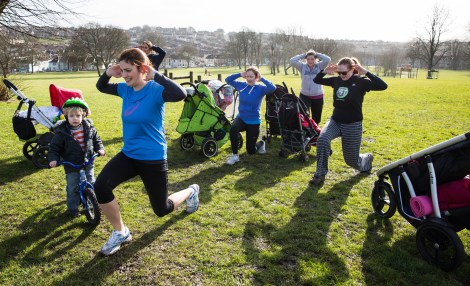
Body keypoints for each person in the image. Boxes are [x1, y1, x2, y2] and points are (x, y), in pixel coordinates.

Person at [95, 48, 199, 256]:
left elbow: (179, 94)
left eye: (128, 70)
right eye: (122, 71)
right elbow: (101, 87)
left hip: (153, 158)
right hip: (129, 154)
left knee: (162, 209)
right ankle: (121, 232)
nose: (124, 75)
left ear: (142, 68)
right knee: (101, 186)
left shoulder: (155, 89)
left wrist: (156, 75)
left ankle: (191, 191)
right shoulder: (125, 90)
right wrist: (109, 72)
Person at [309, 57, 388, 185]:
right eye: (339, 72)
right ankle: (320, 175)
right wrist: (324, 71)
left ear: (353, 70)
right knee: (322, 140)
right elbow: (317, 80)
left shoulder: (361, 81)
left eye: (344, 72)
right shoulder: (336, 80)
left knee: (351, 160)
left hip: (352, 124)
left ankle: (366, 159)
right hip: (336, 121)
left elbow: (383, 86)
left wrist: (365, 72)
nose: (341, 75)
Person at [48, 98, 105, 217]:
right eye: (71, 115)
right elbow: (54, 147)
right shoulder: (62, 132)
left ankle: (92, 200)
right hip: (71, 163)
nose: (75, 118)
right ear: (66, 116)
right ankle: (73, 208)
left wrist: (99, 148)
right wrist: (53, 159)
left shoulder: (89, 127)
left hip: (88, 160)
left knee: (91, 181)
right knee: (72, 187)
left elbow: (96, 139)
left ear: (83, 115)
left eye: (78, 115)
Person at [224, 66, 276, 165]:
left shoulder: (261, 88)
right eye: (247, 76)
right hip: (242, 117)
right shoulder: (241, 85)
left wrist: (262, 79)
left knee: (251, 151)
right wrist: (239, 74)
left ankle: (261, 143)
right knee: (233, 129)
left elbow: (272, 88)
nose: (249, 78)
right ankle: (235, 155)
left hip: (253, 121)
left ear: (256, 77)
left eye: (251, 76)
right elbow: (228, 80)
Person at [290, 50, 331, 125]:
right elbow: (292, 61)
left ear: (315, 59)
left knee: (316, 117)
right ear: (306, 59)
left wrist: (316, 54)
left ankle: (315, 131)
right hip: (304, 95)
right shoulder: (302, 66)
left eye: (312, 59)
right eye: (308, 59)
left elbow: (327, 59)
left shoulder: (320, 66)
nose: (310, 61)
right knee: (303, 115)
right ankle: (306, 131)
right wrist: (304, 54)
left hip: (318, 96)